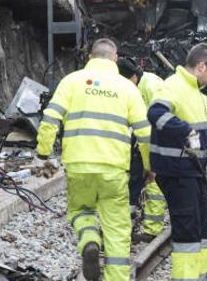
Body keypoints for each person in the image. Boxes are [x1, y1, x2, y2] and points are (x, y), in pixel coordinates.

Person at [37, 39, 150, 281]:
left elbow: (50, 118)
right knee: (117, 228)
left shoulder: (71, 81)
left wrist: (43, 152)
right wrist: (150, 167)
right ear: (116, 59)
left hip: (79, 166)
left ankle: (89, 240)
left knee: (80, 210)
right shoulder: (128, 88)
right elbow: (145, 133)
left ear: (89, 58)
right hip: (114, 169)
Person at [147, 43, 207, 281]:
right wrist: (186, 131)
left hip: (192, 172)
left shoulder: (194, 92)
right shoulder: (173, 86)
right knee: (188, 231)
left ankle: (198, 276)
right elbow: (156, 113)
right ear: (201, 66)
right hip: (177, 172)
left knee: (202, 229)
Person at [117, 58, 167, 243]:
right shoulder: (141, 85)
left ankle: (152, 229)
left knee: (153, 182)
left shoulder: (150, 86)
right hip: (147, 137)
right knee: (138, 180)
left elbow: (159, 118)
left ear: (132, 76)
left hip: (157, 139)